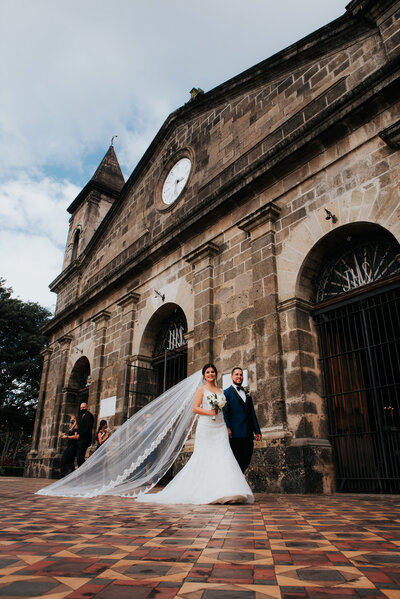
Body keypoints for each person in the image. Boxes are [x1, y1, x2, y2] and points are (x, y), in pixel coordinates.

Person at [136, 363, 254, 504]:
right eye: (208, 372)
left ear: (216, 374)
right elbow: (195, 408)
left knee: (223, 455)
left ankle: (228, 491)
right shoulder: (201, 390)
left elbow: (224, 410)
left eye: (213, 372)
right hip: (206, 426)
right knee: (204, 456)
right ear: (204, 375)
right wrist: (210, 411)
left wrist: (222, 416)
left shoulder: (221, 391)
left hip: (220, 426)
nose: (211, 374)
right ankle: (205, 490)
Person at [223, 367, 262, 473]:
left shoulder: (247, 393)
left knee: (247, 457)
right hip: (235, 432)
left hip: (248, 432)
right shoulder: (227, 393)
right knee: (237, 459)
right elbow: (225, 412)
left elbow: (252, 413)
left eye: (241, 375)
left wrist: (257, 430)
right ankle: (236, 483)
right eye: (236, 374)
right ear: (231, 377)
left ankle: (239, 479)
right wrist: (228, 427)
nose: (239, 376)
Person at [76, 402, 94, 467]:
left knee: (80, 457)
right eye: (81, 408)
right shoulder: (82, 416)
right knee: (79, 457)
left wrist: (80, 435)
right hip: (80, 440)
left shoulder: (89, 415)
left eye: (83, 407)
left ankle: (85, 470)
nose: (82, 409)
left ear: (87, 407)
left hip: (84, 440)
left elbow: (88, 428)